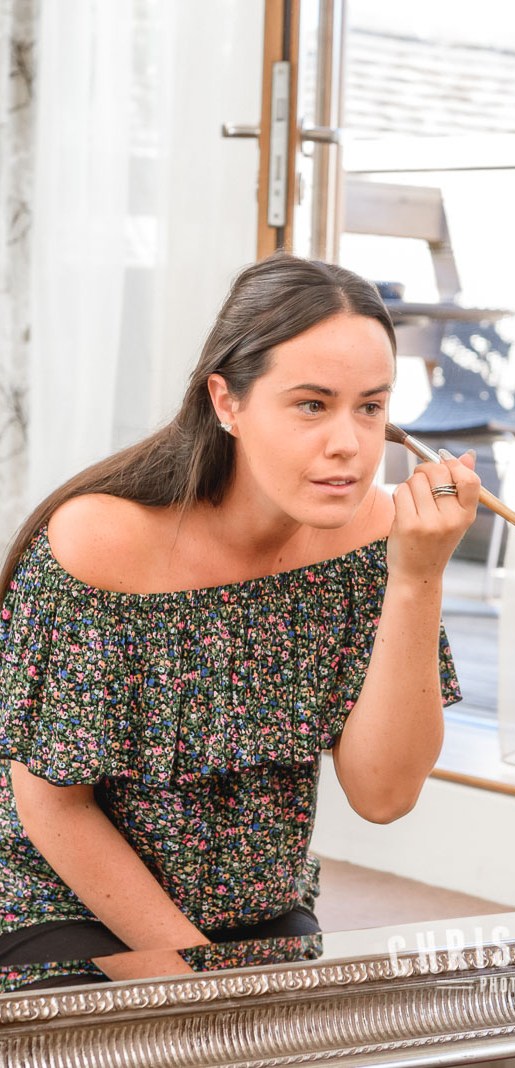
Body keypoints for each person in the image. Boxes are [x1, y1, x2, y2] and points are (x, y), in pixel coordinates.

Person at [0, 252, 480, 989]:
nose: (348, 444)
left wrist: (418, 578)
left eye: (371, 407)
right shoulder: (98, 543)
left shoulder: (377, 543)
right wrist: (196, 984)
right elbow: (52, 809)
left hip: (258, 915)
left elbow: (384, 795)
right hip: (62, 908)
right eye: (312, 405)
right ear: (227, 402)